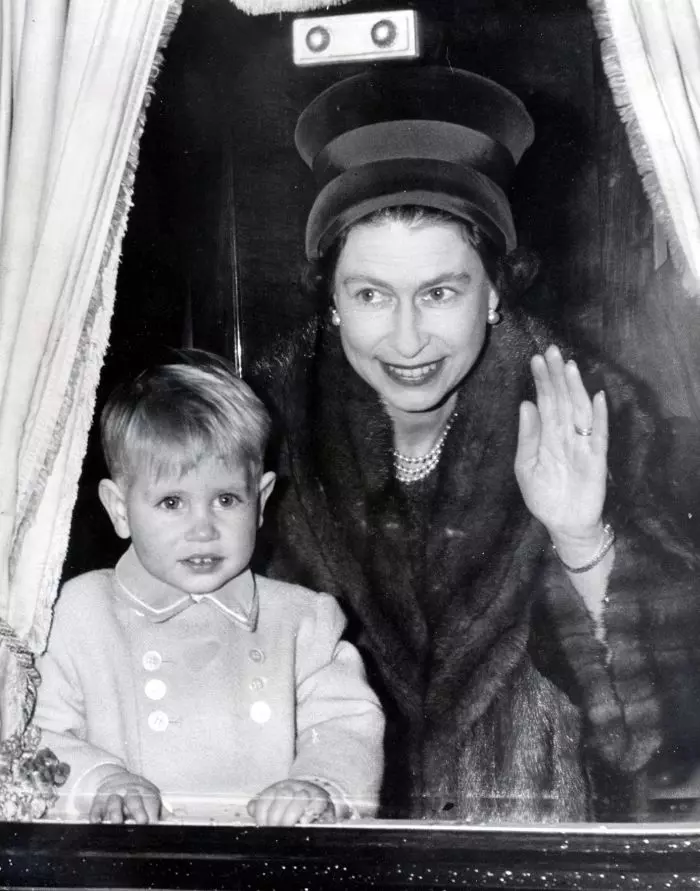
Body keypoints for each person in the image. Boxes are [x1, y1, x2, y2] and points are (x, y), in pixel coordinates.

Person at [251, 66, 700, 822]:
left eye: (440, 292)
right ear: (330, 300)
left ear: (493, 291)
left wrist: (582, 538)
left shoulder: (601, 422)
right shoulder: (260, 438)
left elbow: (667, 748)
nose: (405, 339)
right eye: (370, 294)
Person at [33, 352, 384, 825]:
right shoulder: (79, 614)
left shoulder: (302, 621)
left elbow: (346, 726)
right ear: (119, 509)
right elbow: (39, 733)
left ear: (260, 503)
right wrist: (100, 782)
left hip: (266, 863)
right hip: (127, 866)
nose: (204, 529)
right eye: (172, 501)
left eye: (225, 499)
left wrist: (318, 785)